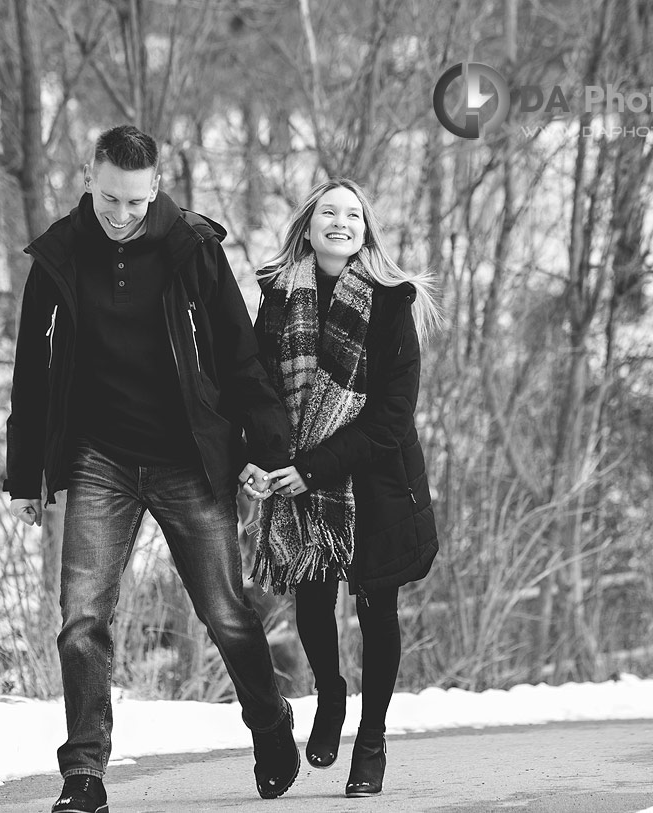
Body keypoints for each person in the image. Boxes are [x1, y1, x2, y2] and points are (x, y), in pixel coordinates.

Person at [4, 125, 300, 813]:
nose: (121, 213)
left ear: (157, 187)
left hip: (187, 458)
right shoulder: (59, 253)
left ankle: (268, 720)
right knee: (82, 618)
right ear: (89, 176)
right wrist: (26, 475)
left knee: (224, 611)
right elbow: (31, 371)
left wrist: (267, 449)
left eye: (136, 202)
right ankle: (84, 774)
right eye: (109, 197)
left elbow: (238, 355)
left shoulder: (192, 247)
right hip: (99, 458)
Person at [245, 178, 440, 798]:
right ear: (308, 226)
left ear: (365, 230)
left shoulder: (391, 302)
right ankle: (330, 694)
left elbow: (391, 416)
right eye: (329, 211)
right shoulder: (278, 295)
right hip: (300, 477)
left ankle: (373, 739)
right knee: (312, 597)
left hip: (377, 480)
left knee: (378, 610)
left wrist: (313, 468)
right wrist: (260, 458)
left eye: (353, 214)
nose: (341, 221)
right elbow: (257, 386)